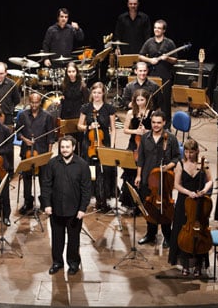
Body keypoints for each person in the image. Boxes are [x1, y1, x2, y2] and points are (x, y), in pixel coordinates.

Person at [41, 135, 92, 275]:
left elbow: (87, 189)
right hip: (56, 209)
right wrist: (46, 204)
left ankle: (73, 263)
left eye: (67, 147)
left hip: (75, 211)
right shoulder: (52, 163)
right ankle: (57, 262)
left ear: (73, 148)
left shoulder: (82, 165)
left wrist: (82, 208)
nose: (64, 150)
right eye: (62, 147)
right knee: (57, 238)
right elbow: (46, 185)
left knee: (73, 239)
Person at [134, 109, 180, 247]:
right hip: (148, 177)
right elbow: (140, 158)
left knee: (165, 208)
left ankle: (167, 235)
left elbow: (177, 157)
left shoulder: (170, 138)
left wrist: (168, 167)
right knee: (150, 207)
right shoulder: (145, 137)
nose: (156, 125)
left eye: (159, 123)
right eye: (153, 122)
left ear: (164, 123)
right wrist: (138, 176)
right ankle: (151, 234)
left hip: (165, 179)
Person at [168, 138, 213, 277]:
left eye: (191, 152)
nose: (188, 155)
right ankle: (185, 265)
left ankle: (199, 265)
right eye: (186, 152)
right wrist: (189, 193)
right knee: (183, 232)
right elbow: (176, 185)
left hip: (200, 201)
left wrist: (205, 190)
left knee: (199, 231)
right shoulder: (180, 164)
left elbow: (210, 180)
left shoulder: (203, 164)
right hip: (185, 202)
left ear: (196, 151)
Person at [77, 82, 117, 212]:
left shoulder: (109, 108)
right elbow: (79, 126)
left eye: (99, 93)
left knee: (104, 171)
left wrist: (113, 145)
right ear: (91, 94)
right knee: (91, 171)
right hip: (89, 144)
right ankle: (90, 197)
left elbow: (113, 128)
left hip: (104, 142)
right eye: (94, 92)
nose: (97, 95)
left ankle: (103, 199)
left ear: (103, 93)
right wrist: (88, 127)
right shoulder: (85, 108)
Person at [16, 92, 55, 215]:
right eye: (32, 102)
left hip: (41, 151)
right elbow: (18, 132)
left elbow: (51, 137)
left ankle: (44, 202)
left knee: (44, 179)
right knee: (27, 178)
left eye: (36, 102)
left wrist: (48, 155)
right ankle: (28, 202)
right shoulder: (22, 115)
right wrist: (24, 139)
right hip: (27, 152)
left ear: (40, 102)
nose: (34, 105)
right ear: (29, 101)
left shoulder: (47, 116)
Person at [139, 19, 178, 127]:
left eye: (159, 28)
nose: (156, 30)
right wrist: (150, 60)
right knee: (152, 100)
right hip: (152, 74)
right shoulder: (149, 42)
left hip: (165, 75)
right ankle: (150, 124)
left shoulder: (169, 43)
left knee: (165, 102)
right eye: (155, 27)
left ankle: (166, 125)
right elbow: (140, 55)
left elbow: (175, 60)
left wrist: (167, 58)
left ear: (164, 30)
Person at [120, 89, 152, 208]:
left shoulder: (151, 113)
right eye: (137, 100)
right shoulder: (130, 113)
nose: (139, 102)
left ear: (147, 100)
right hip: (134, 144)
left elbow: (156, 129)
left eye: (142, 100)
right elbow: (125, 129)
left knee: (144, 171)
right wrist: (136, 131)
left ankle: (143, 201)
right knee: (130, 169)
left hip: (147, 144)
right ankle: (130, 202)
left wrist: (146, 131)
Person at [59, 61, 89, 155]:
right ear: (66, 73)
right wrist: (59, 100)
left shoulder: (82, 86)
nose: (71, 74)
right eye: (69, 72)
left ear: (77, 72)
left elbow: (86, 103)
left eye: (73, 71)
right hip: (66, 114)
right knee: (67, 139)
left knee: (77, 140)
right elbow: (62, 98)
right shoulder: (63, 85)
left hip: (78, 115)